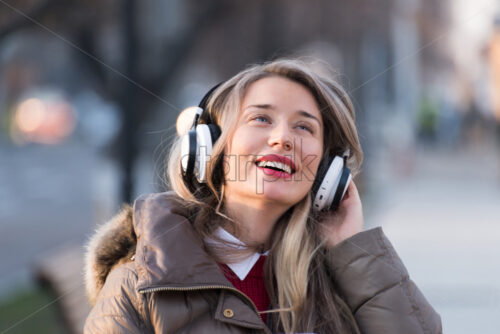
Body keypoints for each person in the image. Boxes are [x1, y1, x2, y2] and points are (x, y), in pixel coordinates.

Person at [83, 59, 442, 333]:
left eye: (304, 127)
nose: (282, 138)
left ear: (326, 174)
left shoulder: (337, 282)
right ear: (210, 148)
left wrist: (354, 248)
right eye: (260, 119)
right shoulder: (141, 284)